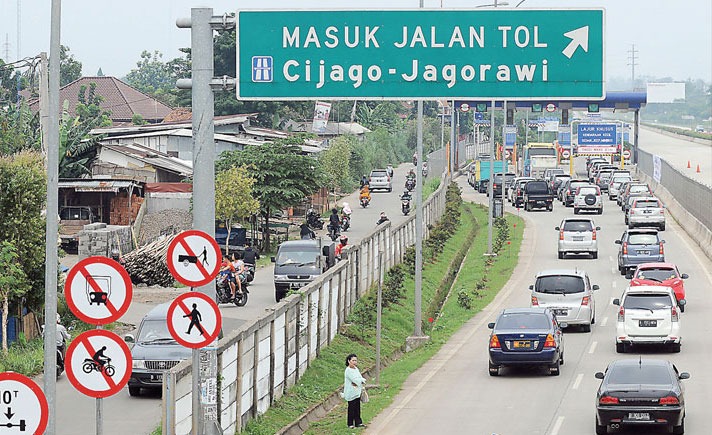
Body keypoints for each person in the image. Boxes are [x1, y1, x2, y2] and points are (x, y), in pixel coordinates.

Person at [343, 353, 367, 429]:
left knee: (357, 408)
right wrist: (360, 381)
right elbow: (355, 380)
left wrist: (360, 380)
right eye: (353, 360)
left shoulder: (356, 369)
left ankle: (358, 423)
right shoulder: (348, 370)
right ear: (349, 361)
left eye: (355, 360)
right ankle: (350, 424)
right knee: (351, 409)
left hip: (357, 392)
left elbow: (360, 378)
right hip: (351, 393)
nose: (354, 362)